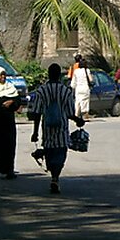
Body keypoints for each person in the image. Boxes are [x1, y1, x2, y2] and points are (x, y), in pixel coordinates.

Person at [29, 63, 85, 193]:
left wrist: (35, 132)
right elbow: (70, 113)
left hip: (47, 129)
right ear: (59, 75)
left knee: (49, 152)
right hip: (61, 129)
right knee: (60, 153)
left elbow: (36, 113)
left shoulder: (41, 91)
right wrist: (79, 121)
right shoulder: (66, 91)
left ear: (48, 74)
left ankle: (53, 174)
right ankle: (55, 177)